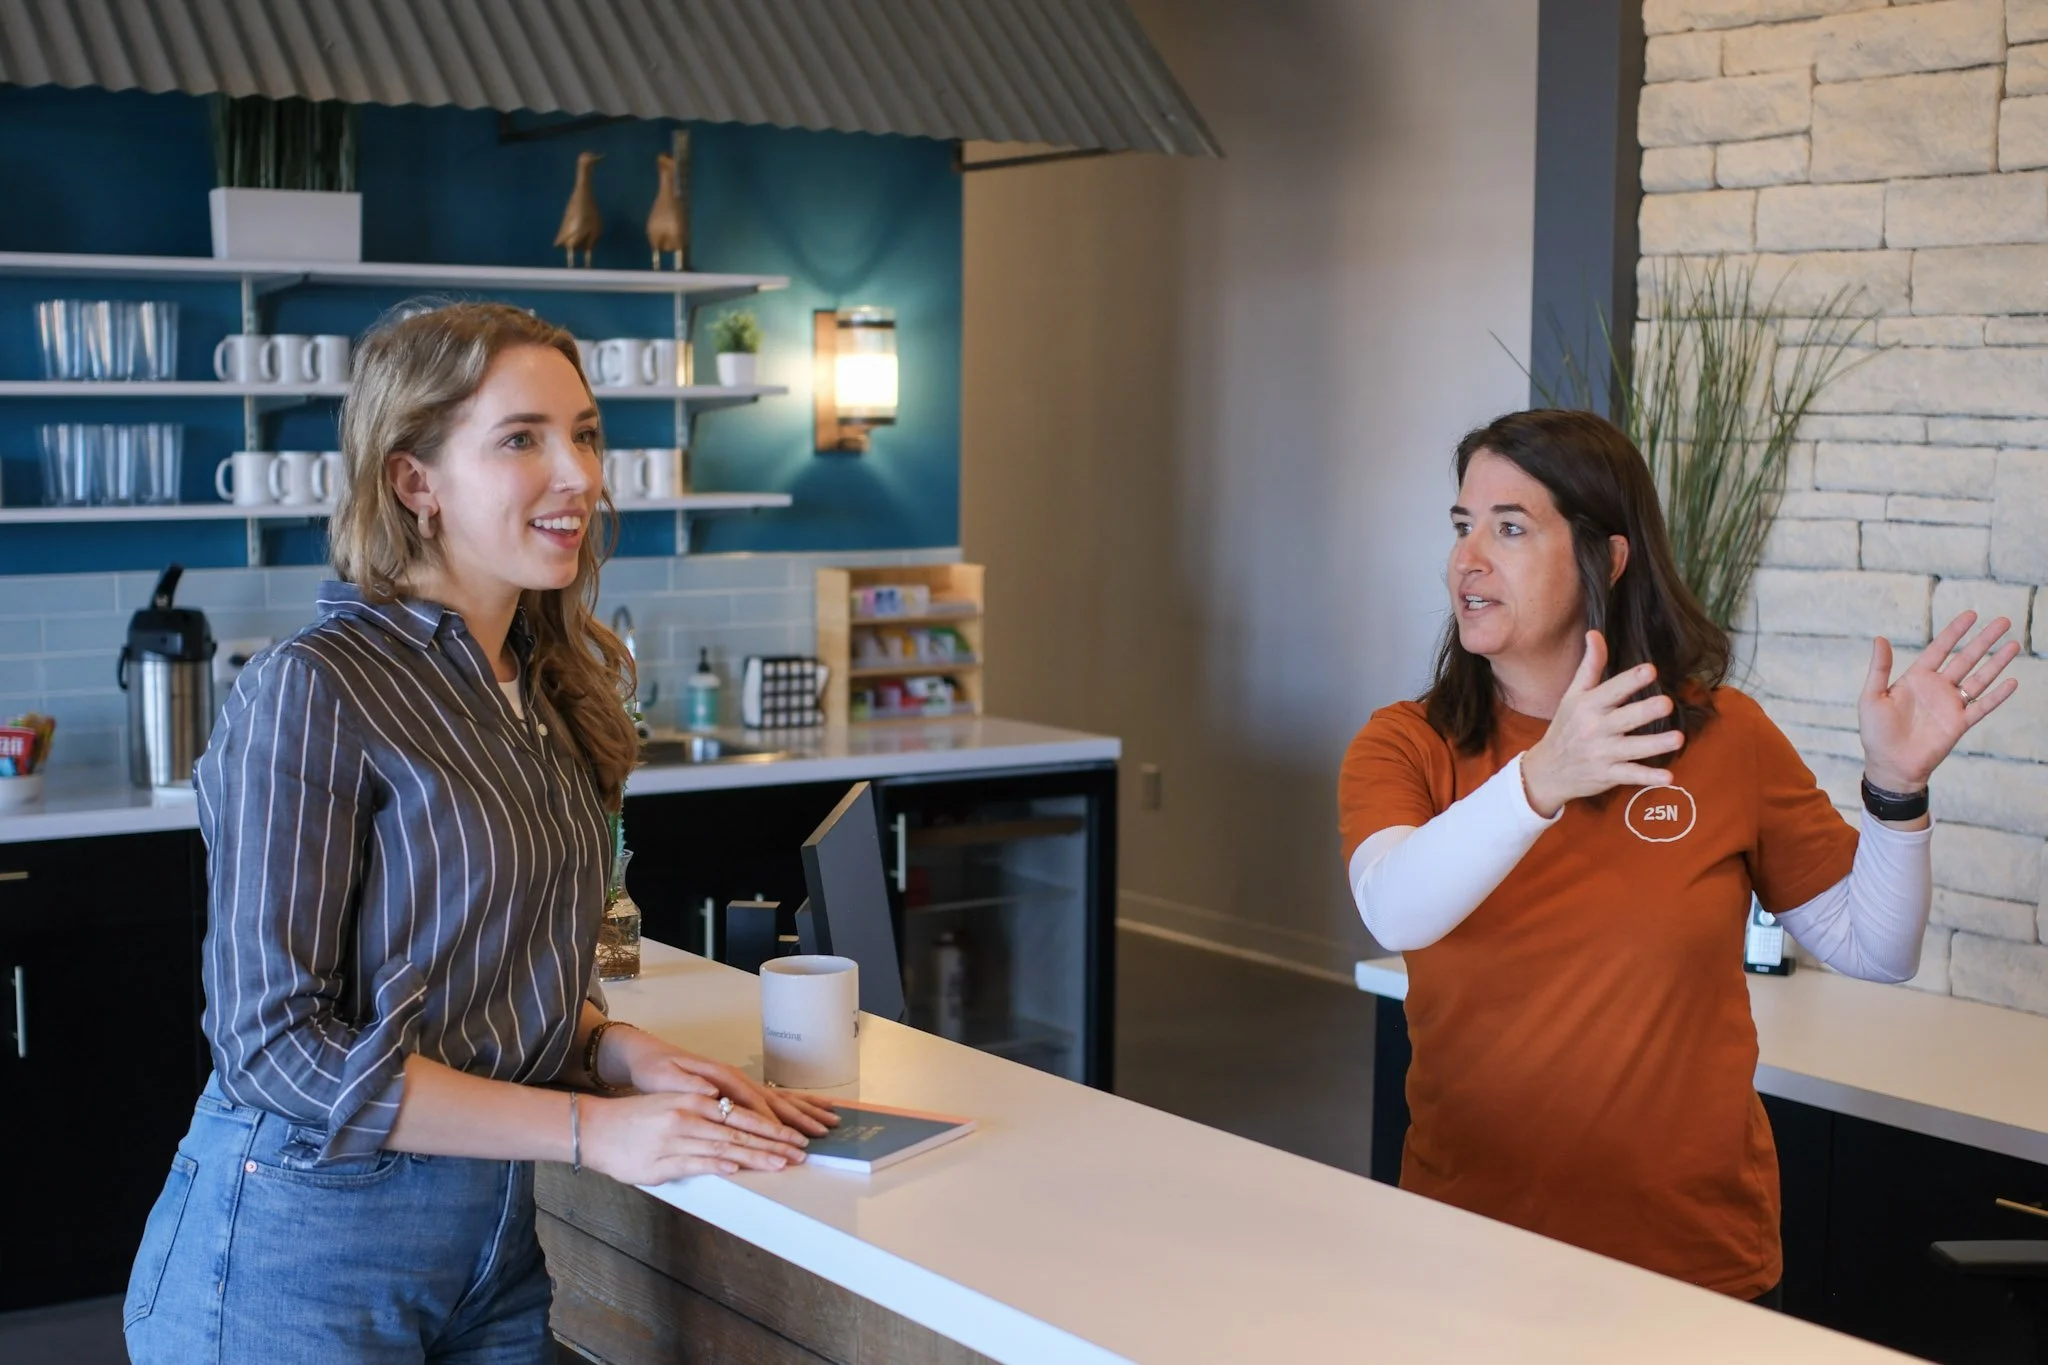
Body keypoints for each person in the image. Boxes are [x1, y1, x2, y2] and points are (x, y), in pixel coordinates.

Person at [124, 301, 837, 1363]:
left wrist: (615, 1051)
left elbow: (489, 973)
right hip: (296, 1257)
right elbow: (273, 1050)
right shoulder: (316, 689)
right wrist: (591, 1129)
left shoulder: (540, 685)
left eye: (585, 434)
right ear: (415, 482)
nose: (579, 475)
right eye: (521, 439)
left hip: (490, 1250)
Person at [1338, 408, 2019, 1303]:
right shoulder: (1408, 743)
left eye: (1510, 528)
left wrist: (1896, 793)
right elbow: (1395, 906)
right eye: (1463, 526)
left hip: (1697, 1266)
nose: (1468, 558)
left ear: (1606, 559)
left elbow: (1875, 948)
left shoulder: (1722, 735)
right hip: (1472, 1254)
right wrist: (1543, 778)